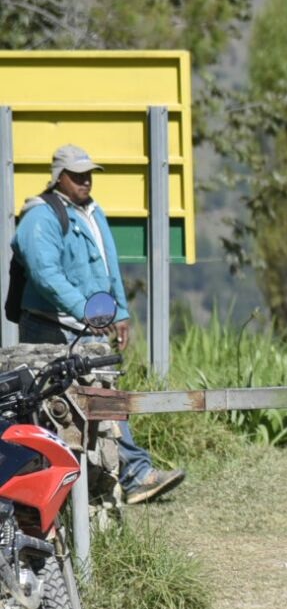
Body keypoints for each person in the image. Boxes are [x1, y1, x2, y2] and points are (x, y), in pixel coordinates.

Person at [10, 144, 184, 505]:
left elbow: (108, 266)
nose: (86, 180)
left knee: (102, 401)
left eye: (89, 173)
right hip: (50, 328)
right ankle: (109, 480)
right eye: (77, 175)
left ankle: (125, 477)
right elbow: (46, 277)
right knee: (57, 410)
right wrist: (87, 311)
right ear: (60, 178)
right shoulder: (39, 218)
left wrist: (117, 311)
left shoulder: (92, 211)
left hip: (86, 327)